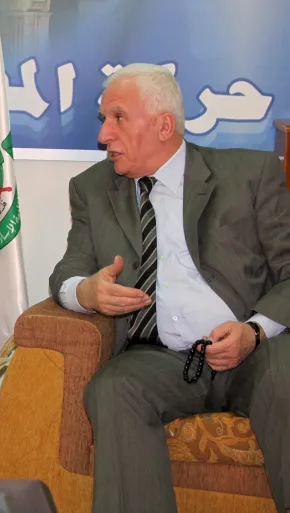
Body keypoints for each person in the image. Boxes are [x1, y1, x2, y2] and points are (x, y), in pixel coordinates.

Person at [50, 63, 290, 513]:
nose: (103, 135)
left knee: (287, 376)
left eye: (117, 118)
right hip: (162, 360)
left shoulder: (249, 174)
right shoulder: (92, 189)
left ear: (164, 126)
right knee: (111, 388)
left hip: (255, 348)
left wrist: (255, 331)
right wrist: (86, 293)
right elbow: (67, 272)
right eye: (103, 119)